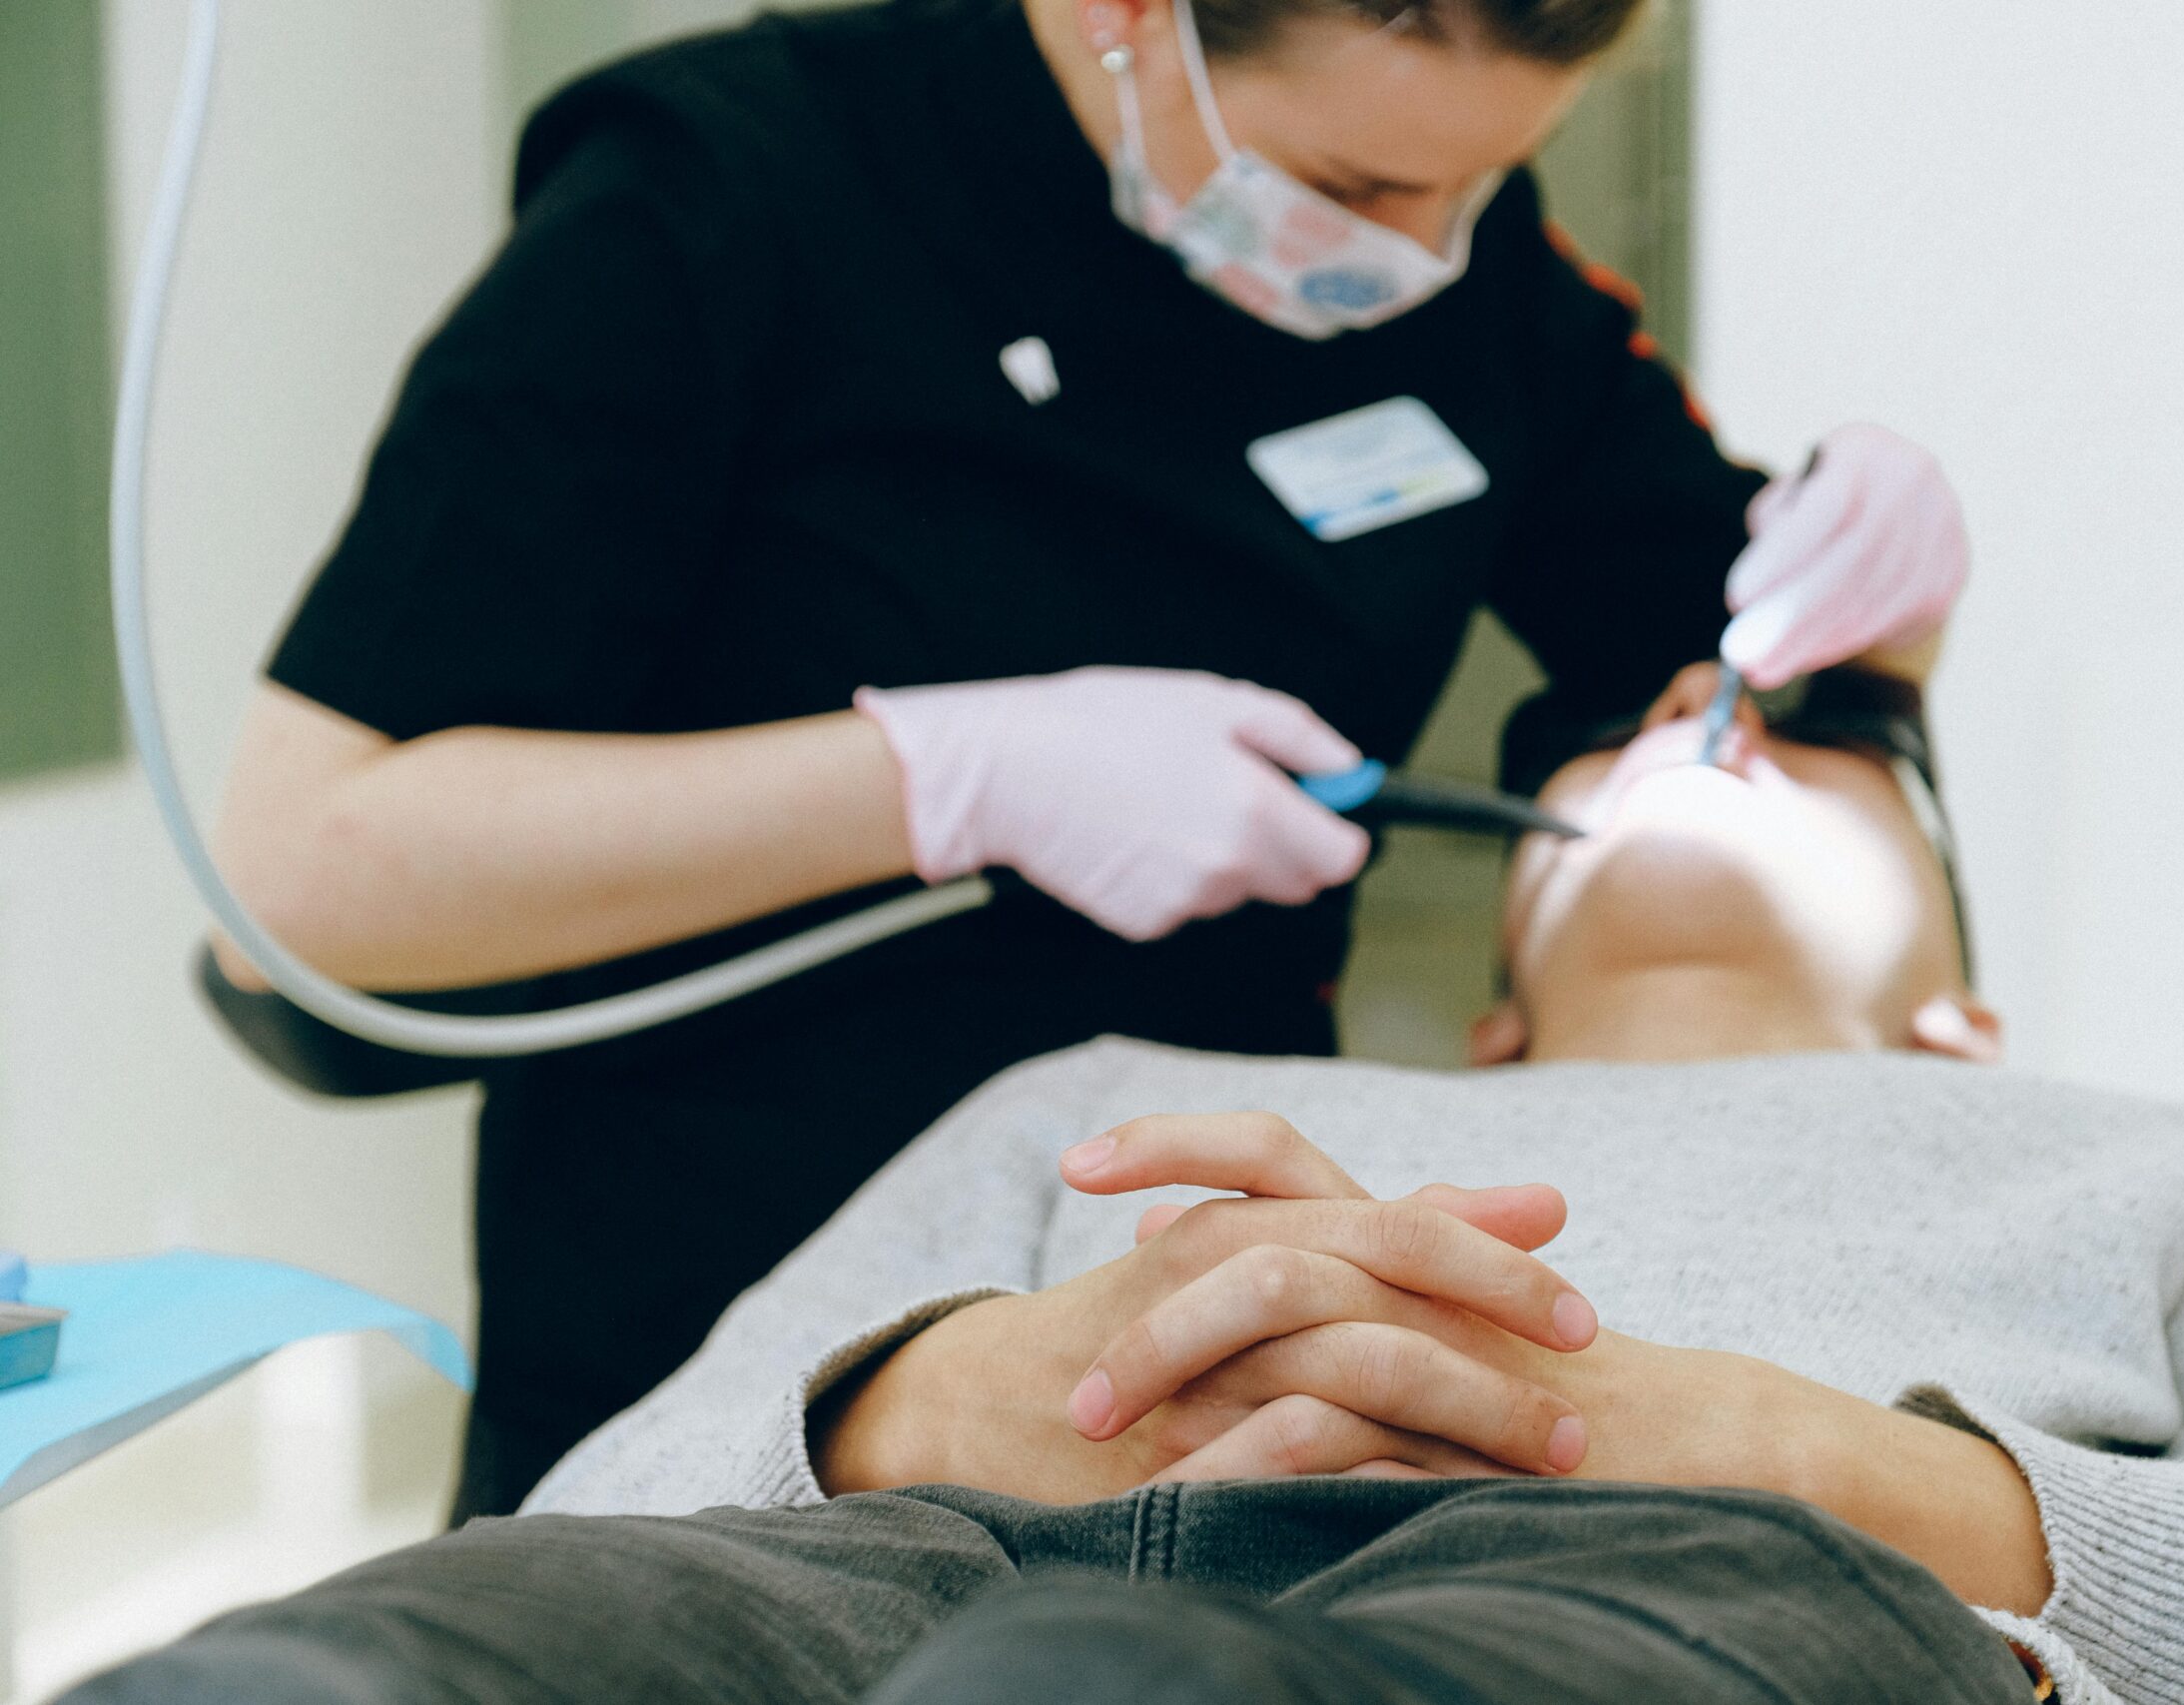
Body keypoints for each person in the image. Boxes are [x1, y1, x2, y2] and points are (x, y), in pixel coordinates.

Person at [207, 0, 1971, 1519]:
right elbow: (307, 882)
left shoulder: (1457, 260)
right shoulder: (714, 200)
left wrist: (1879, 620)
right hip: (718, 1336)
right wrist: (934, 777)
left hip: (1189, 1349)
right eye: (1357, 192)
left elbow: (1724, 665)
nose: (1423, 253)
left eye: (1484, 187)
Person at [90, 665, 2184, 1703]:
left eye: (1794, 748)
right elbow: (579, 1504)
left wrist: (1803, 1455)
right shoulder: (1119, 1084)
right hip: (901, 1567)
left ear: (1958, 1015)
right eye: (1630, 735)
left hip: (1715, 1582)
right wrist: (936, 1406)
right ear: (1482, 1011)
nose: (1694, 727)